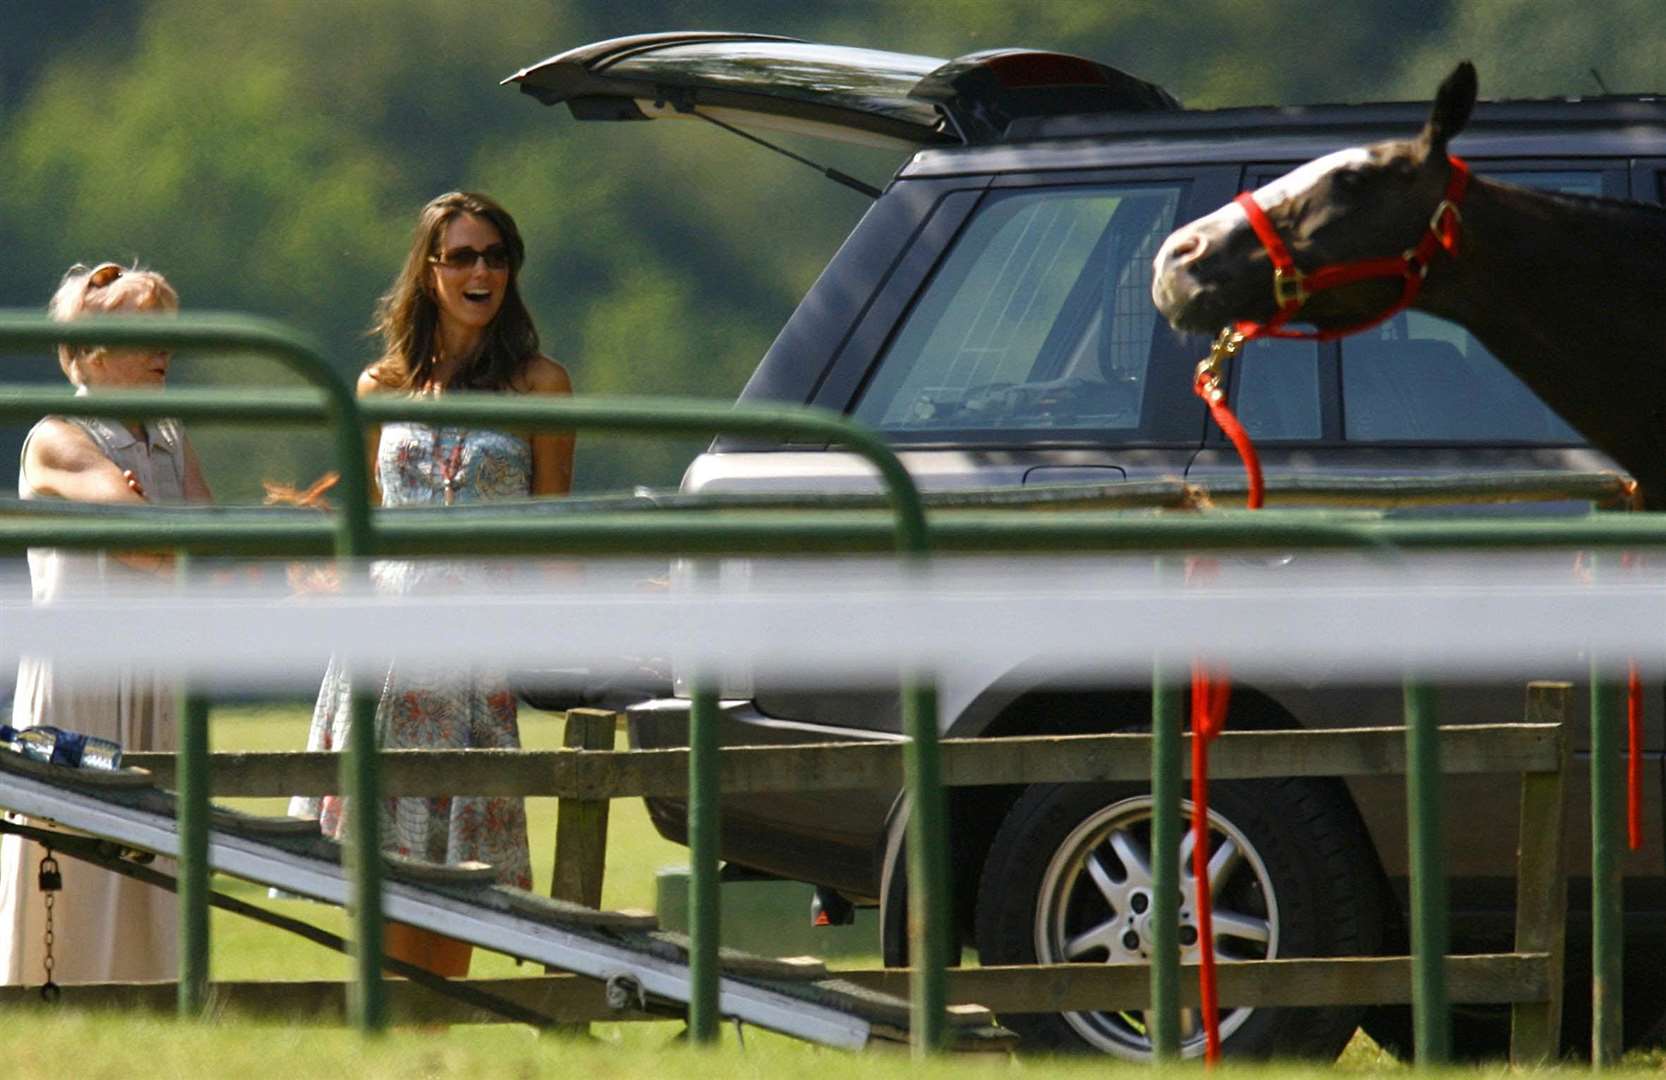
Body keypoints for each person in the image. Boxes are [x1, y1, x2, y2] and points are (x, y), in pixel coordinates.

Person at [288, 192, 574, 977]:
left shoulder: (540, 385)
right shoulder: (379, 387)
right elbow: (366, 523)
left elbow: (556, 528)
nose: (482, 270)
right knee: (376, 865)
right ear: (430, 269)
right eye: (463, 256)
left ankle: (440, 1031)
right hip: (383, 649)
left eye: (496, 255)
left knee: (459, 868)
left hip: (474, 654)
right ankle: (391, 1033)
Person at [0, 261, 212, 985]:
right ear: (90, 349)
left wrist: (158, 530)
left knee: (159, 882)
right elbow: (148, 543)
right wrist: (158, 531)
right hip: (83, 686)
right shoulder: (55, 436)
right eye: (144, 330)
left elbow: (199, 541)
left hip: (159, 676)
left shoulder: (170, 434)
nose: (165, 350)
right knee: (75, 878)